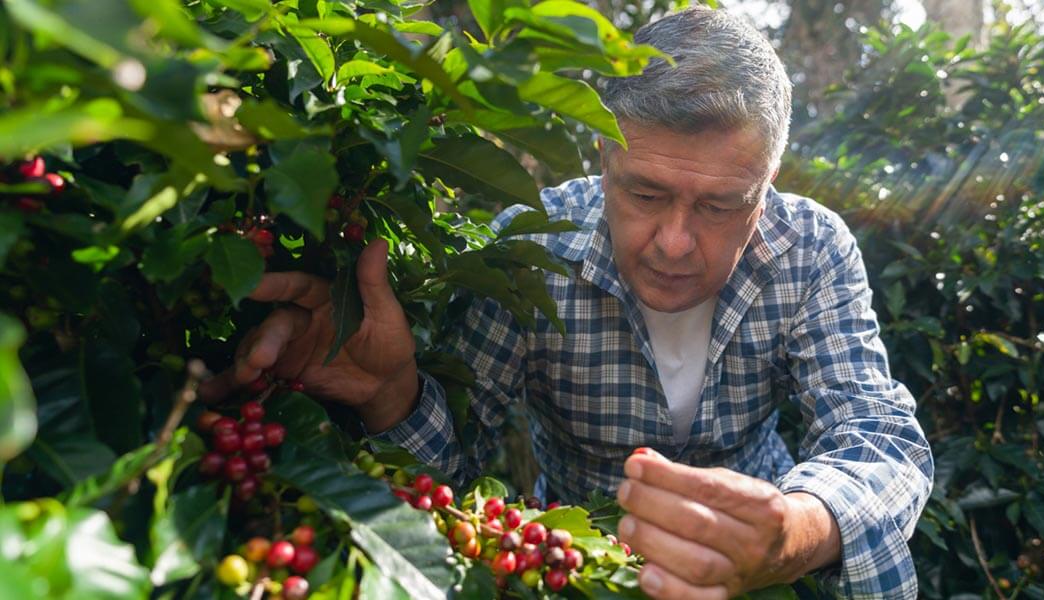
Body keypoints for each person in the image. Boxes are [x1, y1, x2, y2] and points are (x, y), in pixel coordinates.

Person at [200, 6, 933, 599]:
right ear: (602, 159)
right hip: (578, 566)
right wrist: (390, 394)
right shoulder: (529, 247)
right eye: (645, 194)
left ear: (767, 183)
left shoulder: (810, 246)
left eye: (720, 206)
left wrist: (789, 532)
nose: (675, 243)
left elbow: (878, 432)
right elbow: (452, 475)